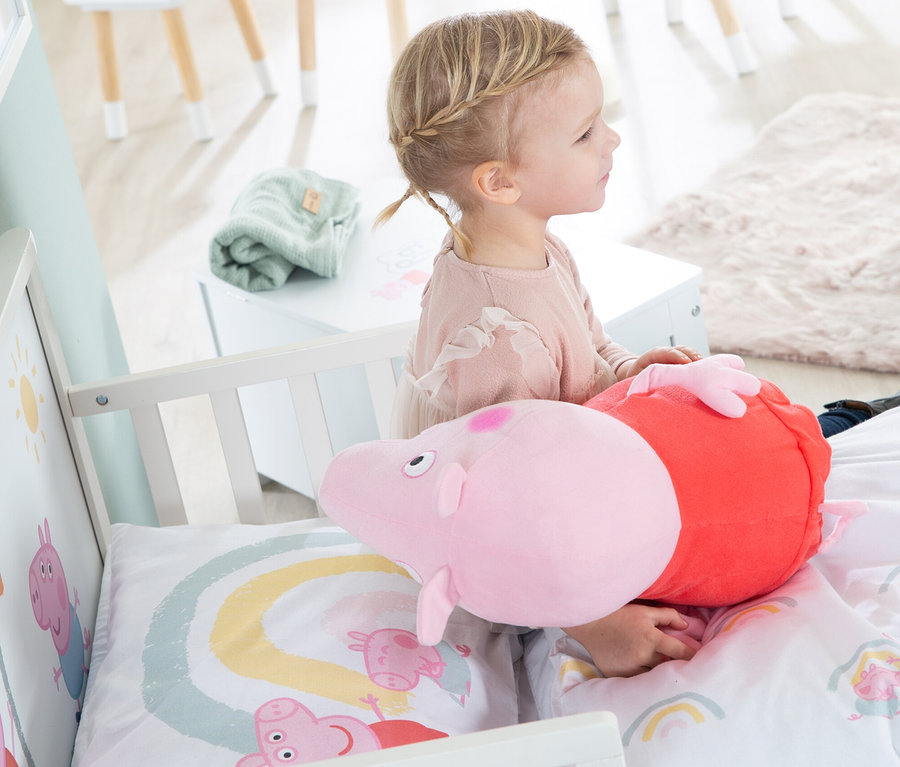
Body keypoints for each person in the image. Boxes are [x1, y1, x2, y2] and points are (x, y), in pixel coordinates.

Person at [377, 9, 703, 679]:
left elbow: (589, 339)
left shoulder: (530, 242)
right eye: (585, 134)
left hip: (558, 476)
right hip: (502, 560)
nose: (612, 140)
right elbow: (502, 516)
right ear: (499, 181)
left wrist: (627, 369)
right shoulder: (497, 337)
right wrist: (597, 622)